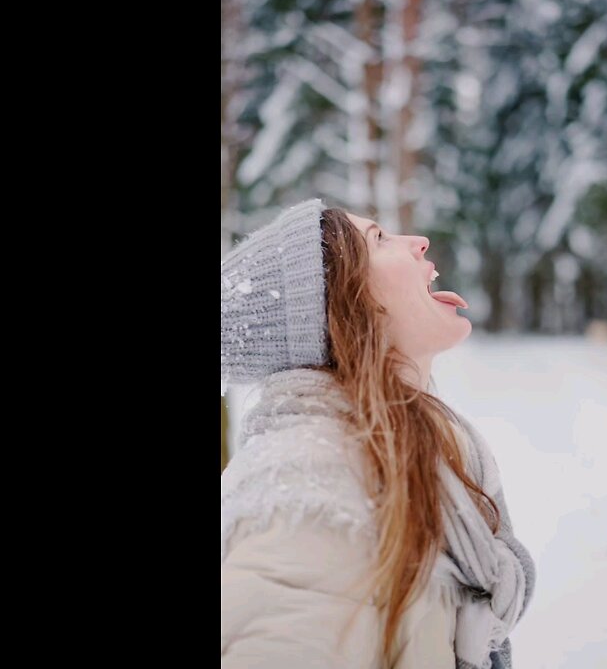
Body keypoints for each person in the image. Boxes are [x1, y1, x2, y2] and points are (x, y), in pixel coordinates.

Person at [221, 199, 535, 668]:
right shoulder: (307, 495)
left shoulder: (407, 456)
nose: (419, 242)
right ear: (338, 307)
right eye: (379, 240)